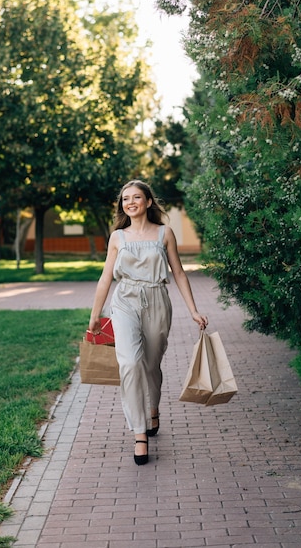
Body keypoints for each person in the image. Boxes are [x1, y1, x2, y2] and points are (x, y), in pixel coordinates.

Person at [88, 180, 208, 465]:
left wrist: (193, 310)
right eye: (125, 198)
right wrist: (96, 313)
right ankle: (139, 432)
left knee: (152, 365)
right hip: (125, 300)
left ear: (148, 202)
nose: (130, 202)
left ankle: (153, 407)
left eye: (136, 197)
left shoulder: (164, 234)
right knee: (130, 363)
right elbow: (107, 276)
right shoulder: (118, 237)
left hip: (157, 301)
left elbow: (178, 272)